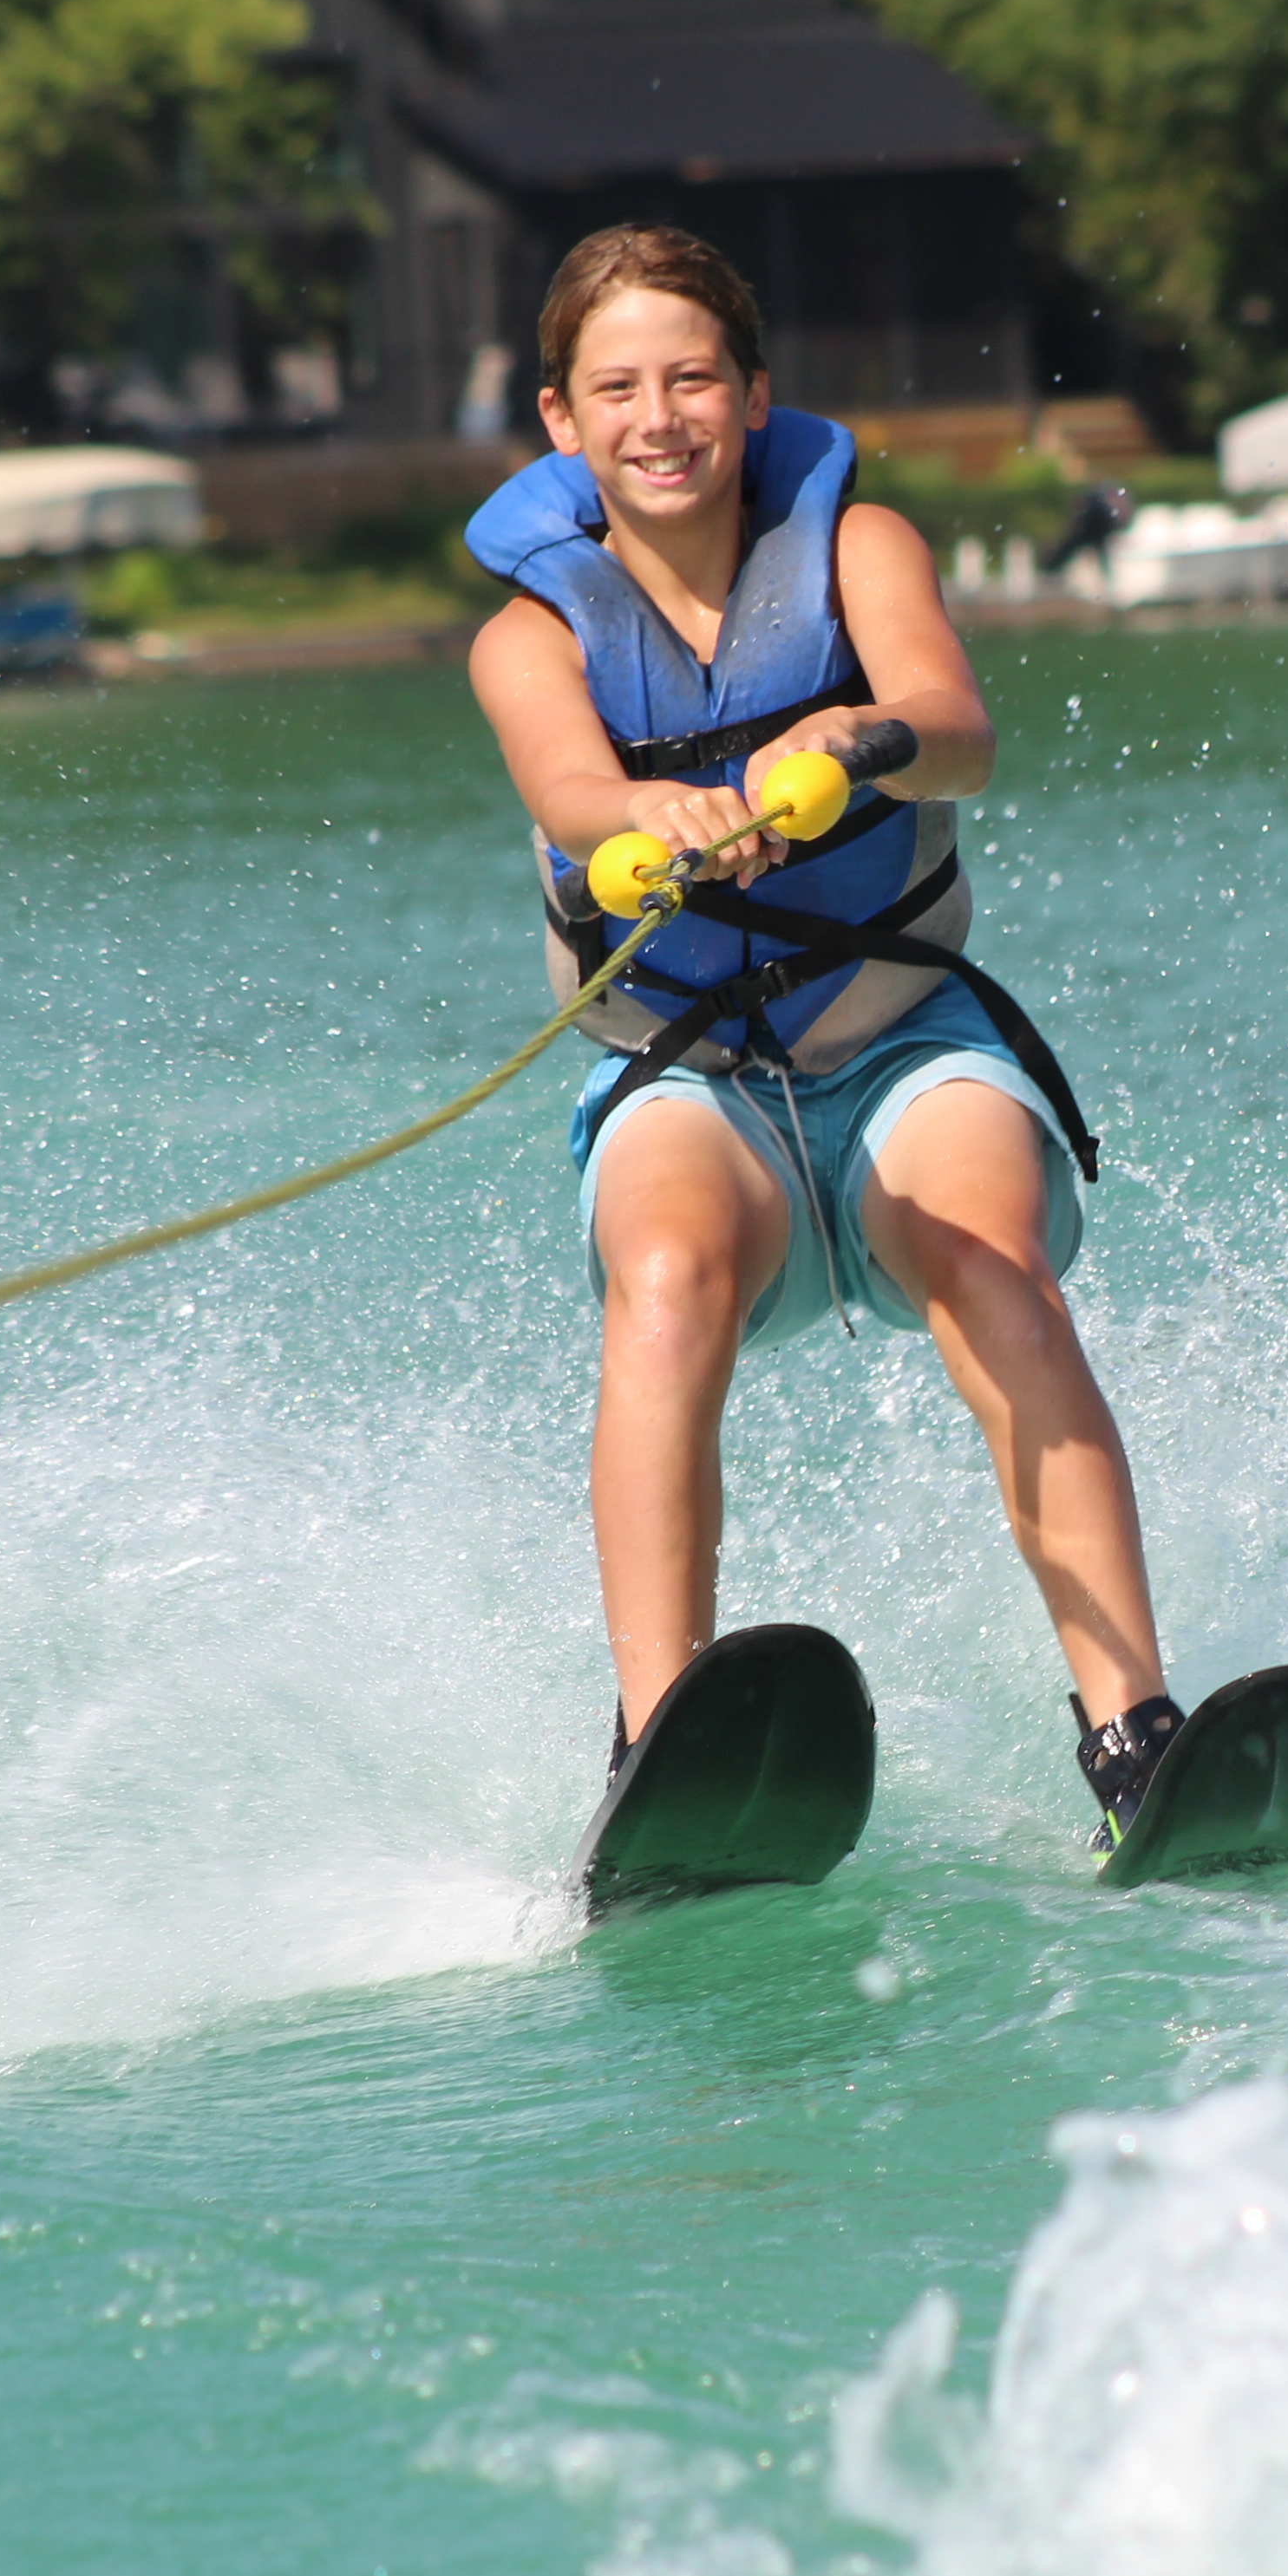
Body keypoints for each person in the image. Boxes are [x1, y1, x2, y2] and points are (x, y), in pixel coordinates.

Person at [461, 225, 1192, 1851]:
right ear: (561, 423)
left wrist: (856, 745)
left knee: (988, 1255)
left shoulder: (860, 544)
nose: (663, 416)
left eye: (695, 377)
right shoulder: (530, 638)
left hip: (900, 1049)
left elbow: (961, 730)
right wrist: (649, 827)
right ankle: (661, 1738)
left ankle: (1136, 1730)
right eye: (619, 387)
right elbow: (572, 796)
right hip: (691, 1080)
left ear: (754, 393)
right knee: (664, 1279)